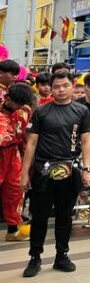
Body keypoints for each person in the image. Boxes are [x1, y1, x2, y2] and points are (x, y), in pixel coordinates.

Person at [19, 69, 90, 277]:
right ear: (51, 89)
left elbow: (86, 141)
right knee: (39, 216)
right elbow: (31, 143)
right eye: (56, 87)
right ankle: (35, 257)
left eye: (65, 86)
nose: (61, 90)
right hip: (43, 171)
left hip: (70, 169)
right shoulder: (41, 112)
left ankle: (62, 256)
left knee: (64, 216)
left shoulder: (81, 111)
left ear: (72, 86)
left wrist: (86, 169)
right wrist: (24, 173)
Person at [1, 83, 34, 241]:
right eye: (18, 104)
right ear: (8, 98)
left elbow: (26, 136)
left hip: (13, 154)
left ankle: (12, 230)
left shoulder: (24, 110)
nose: (20, 107)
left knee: (15, 190)